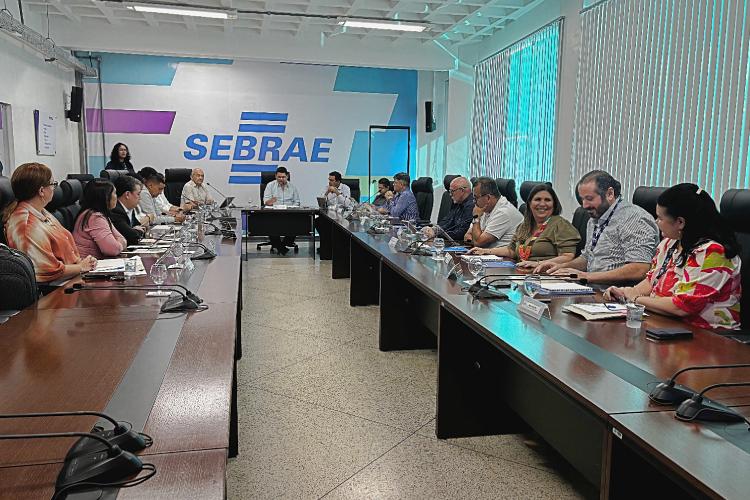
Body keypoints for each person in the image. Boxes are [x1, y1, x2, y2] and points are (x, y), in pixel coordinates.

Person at [604, 184, 741, 330]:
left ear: (680, 222)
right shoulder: (670, 243)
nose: (656, 222)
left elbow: (682, 306)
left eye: (660, 218)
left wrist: (636, 299)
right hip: (665, 324)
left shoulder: (713, 253)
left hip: (707, 336)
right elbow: (652, 280)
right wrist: (624, 293)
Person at [534, 170, 659, 284]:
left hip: (616, 297)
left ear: (610, 194)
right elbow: (588, 258)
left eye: (589, 199)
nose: (584, 205)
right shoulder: (595, 218)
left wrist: (586, 276)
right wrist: (562, 267)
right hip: (592, 289)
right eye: (582, 199)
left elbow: (640, 268)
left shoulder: (634, 218)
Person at [3, 162, 96, 282]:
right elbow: (46, 271)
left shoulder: (41, 211)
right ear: (41, 191)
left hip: (71, 278)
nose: (54, 188)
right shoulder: (26, 225)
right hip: (53, 290)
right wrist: (81, 267)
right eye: (53, 184)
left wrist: (83, 263)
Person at [469, 184, 580, 266]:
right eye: (537, 200)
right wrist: (485, 251)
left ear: (554, 204)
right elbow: (512, 251)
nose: (542, 204)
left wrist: (538, 264)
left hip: (546, 275)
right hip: (523, 273)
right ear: (530, 204)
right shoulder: (525, 225)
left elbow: (568, 257)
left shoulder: (560, 225)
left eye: (547, 200)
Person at [73, 179, 127, 259]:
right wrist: (119, 244)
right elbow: (112, 249)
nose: (116, 196)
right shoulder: (95, 218)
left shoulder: (98, 214)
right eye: (114, 193)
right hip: (88, 267)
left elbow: (122, 239)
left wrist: (119, 243)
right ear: (105, 197)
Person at [465, 176, 523, 248]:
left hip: (504, 257)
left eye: (476, 198)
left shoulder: (504, 212)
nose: (474, 201)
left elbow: (478, 242)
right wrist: (475, 239)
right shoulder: (483, 209)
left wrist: (476, 219)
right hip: (487, 254)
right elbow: (467, 236)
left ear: (488, 198)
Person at [423, 176, 474, 242]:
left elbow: (461, 233)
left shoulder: (471, 206)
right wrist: (434, 229)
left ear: (462, 190)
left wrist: (437, 234)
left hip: (460, 244)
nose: (450, 194)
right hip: (451, 242)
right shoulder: (458, 203)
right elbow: (447, 221)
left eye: (452, 191)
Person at [263, 166, 300, 255]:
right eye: (279, 177)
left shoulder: (293, 187)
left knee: (297, 222)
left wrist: (292, 208)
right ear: (275, 176)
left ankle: (281, 245)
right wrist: (270, 202)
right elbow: (265, 202)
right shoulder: (270, 186)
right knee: (270, 223)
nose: (281, 179)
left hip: (289, 213)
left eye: (283, 177)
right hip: (275, 213)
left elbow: (297, 202)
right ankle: (281, 247)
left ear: (287, 176)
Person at [111, 175, 148, 246]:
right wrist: (135, 230)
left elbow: (141, 228)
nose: (140, 198)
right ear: (127, 194)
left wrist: (136, 230)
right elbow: (132, 236)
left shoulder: (129, 208)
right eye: (138, 194)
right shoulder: (115, 211)